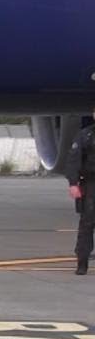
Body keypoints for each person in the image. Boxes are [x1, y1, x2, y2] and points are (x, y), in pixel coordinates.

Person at [65, 112, 95, 275]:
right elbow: (74, 160)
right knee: (87, 223)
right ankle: (82, 261)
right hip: (91, 184)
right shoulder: (86, 135)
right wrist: (73, 183)